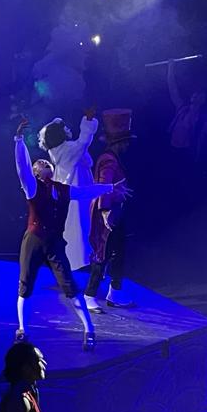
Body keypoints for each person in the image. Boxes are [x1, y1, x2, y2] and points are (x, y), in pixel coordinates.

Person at [14, 118, 130, 349]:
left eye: (45, 161)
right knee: (25, 286)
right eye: (39, 163)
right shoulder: (32, 187)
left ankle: (89, 329)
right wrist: (18, 140)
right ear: (36, 173)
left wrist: (109, 187)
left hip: (54, 243)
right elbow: (22, 166)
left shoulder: (61, 189)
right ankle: (22, 328)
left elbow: (85, 192)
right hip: (34, 241)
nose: (44, 162)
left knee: (70, 286)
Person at [85, 109, 136, 312]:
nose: (127, 145)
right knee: (102, 253)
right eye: (125, 142)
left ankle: (115, 292)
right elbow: (102, 185)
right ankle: (89, 294)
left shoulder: (113, 157)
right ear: (119, 142)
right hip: (107, 213)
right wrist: (105, 210)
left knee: (118, 252)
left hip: (116, 211)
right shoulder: (109, 160)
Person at [37, 108, 98, 271]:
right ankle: (82, 262)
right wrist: (88, 122)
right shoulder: (68, 151)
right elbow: (83, 142)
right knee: (80, 228)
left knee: (75, 229)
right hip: (77, 195)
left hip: (72, 194)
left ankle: (75, 262)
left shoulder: (60, 152)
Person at [167, 59, 207, 171]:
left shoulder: (202, 119)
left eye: (200, 95)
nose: (196, 95)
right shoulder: (181, 107)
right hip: (170, 149)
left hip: (184, 155)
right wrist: (170, 68)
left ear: (203, 100)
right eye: (195, 94)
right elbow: (172, 88)